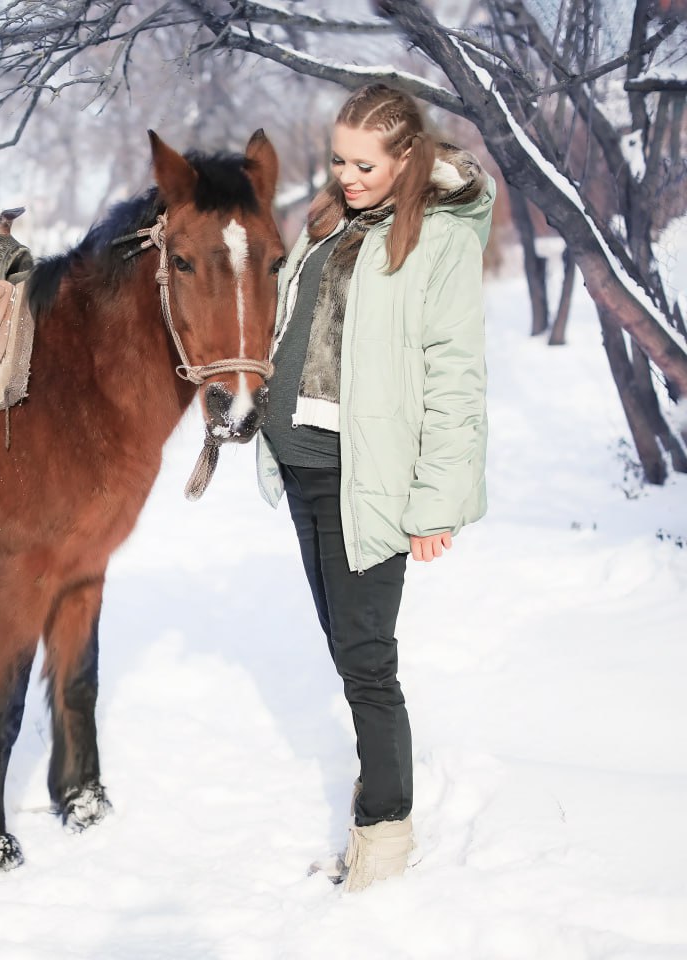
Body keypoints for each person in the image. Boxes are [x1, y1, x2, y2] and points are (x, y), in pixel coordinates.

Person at [255, 83, 495, 892]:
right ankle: (377, 804)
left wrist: (436, 503)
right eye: (337, 159)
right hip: (303, 469)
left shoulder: (439, 241)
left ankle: (385, 835)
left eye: (364, 163)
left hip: (369, 480)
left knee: (366, 662)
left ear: (407, 159)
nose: (347, 175)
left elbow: (455, 378)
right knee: (344, 646)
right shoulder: (331, 223)